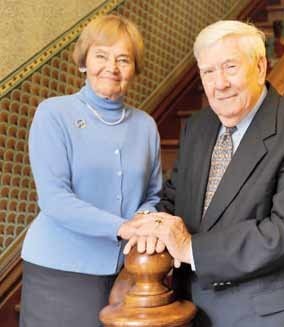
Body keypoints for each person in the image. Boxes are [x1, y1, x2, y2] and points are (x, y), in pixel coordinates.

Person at [124, 20, 284, 326]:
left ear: (260, 66)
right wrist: (149, 224)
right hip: (195, 311)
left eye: (230, 67)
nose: (219, 83)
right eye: (208, 72)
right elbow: (174, 198)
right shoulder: (198, 126)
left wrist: (189, 248)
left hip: (272, 315)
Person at [20, 15, 162, 327]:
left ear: (134, 69)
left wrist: (144, 218)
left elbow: (152, 196)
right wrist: (123, 227)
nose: (111, 67)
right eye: (101, 55)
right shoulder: (54, 113)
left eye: (123, 59)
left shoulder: (146, 125)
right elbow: (55, 199)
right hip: (60, 271)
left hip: (125, 273)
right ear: (84, 61)